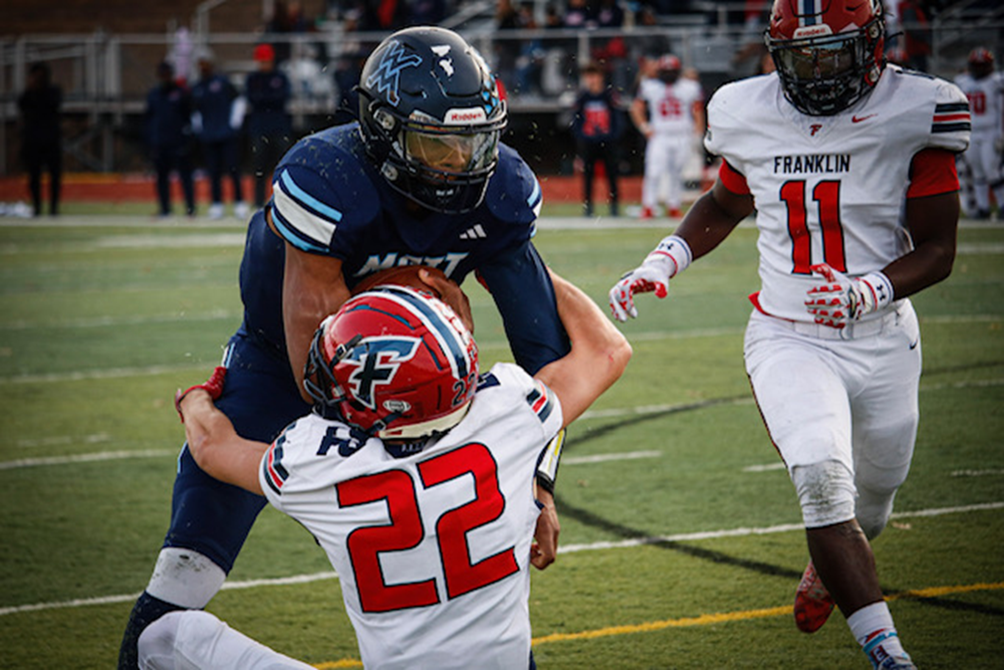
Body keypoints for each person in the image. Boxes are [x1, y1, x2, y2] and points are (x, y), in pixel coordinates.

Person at [118, 26, 575, 668]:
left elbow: (546, 361)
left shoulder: (499, 192)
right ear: (383, 130)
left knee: (466, 589)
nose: (460, 166)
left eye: (473, 143)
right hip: (281, 370)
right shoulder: (327, 176)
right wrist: (346, 471)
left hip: (418, 387)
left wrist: (542, 484)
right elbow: (316, 370)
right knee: (186, 567)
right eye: (436, 145)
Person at [609, 0, 970, 668]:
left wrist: (870, 289)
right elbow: (725, 202)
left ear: (871, 46)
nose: (816, 70)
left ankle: (828, 561)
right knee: (822, 479)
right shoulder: (749, 112)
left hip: (885, 336)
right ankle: (889, 653)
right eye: (801, 57)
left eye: (830, 52)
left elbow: (939, 249)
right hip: (788, 335)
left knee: (875, 503)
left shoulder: (918, 110)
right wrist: (663, 260)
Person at [138, 276, 631, 669]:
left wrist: (197, 398)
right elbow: (608, 350)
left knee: (166, 637)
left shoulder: (315, 462)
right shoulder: (509, 412)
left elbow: (210, 447)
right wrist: (516, 270)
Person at [630, 54, 704, 219]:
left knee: (677, 172)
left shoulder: (689, 86)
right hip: (660, 135)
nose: (669, 74)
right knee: (653, 171)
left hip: (682, 134)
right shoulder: (649, 85)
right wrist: (644, 127)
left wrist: (698, 132)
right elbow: (636, 107)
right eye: (666, 70)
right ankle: (649, 206)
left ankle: (674, 206)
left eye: (671, 70)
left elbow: (697, 109)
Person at [191, 56, 249, 220]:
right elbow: (195, 110)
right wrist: (200, 129)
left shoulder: (223, 83)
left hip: (226, 133)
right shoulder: (197, 87)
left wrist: (234, 123)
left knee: (233, 169)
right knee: (213, 171)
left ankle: (239, 203)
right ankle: (216, 204)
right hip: (209, 135)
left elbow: (239, 100)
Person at [954, 47, 1004, 220]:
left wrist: (1001, 133)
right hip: (972, 132)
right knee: (977, 172)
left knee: (992, 170)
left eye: (983, 65)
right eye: (977, 65)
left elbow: (1001, 110)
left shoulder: (996, 81)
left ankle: (1002, 205)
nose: (980, 69)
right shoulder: (963, 81)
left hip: (990, 132)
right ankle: (983, 208)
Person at [570, 61, 623, 217]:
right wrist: (582, 136)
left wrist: (612, 136)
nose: (592, 79)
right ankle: (589, 207)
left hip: (607, 141)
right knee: (587, 176)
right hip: (588, 141)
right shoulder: (582, 97)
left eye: (594, 75)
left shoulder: (609, 96)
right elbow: (576, 120)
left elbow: (617, 118)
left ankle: (614, 206)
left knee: (612, 174)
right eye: (589, 76)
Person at [145, 61, 195, 218]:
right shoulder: (154, 94)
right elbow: (149, 119)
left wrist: (187, 138)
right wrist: (150, 140)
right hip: (160, 142)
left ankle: (190, 208)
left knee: (185, 176)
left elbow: (189, 116)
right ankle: (165, 208)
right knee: (161, 177)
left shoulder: (181, 93)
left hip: (178, 141)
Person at [245, 43, 292, 208]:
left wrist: (264, 99)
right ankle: (258, 201)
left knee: (283, 164)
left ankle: (285, 200)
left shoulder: (280, 77)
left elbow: (282, 98)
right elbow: (253, 99)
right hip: (259, 128)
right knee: (259, 166)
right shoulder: (253, 78)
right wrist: (269, 99)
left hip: (278, 127)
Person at [17, 62, 62, 218]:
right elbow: (22, 106)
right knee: (34, 176)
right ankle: (36, 206)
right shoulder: (28, 94)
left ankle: (53, 208)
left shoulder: (53, 92)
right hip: (33, 141)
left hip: (51, 140)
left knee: (54, 176)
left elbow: (53, 106)